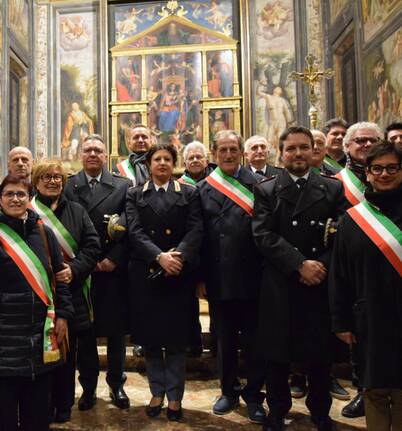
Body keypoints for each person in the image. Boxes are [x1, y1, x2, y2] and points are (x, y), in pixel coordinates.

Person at [252, 126, 347, 431]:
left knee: (319, 354)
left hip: (318, 282)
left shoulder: (331, 188)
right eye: (291, 148)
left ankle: (320, 411)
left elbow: (341, 237)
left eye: (303, 147)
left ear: (313, 150)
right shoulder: (266, 189)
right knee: (277, 354)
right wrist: (298, 264)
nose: (298, 154)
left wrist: (318, 265)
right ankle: (277, 410)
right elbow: (263, 235)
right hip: (281, 282)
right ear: (281, 153)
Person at [0, 175, 74, 430]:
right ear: (0, 198)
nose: (16, 199)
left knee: (37, 419)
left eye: (21, 194)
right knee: (2, 421)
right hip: (1, 345)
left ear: (30, 199)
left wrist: (63, 315)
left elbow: (60, 279)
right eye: (9, 194)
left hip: (40, 343)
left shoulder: (44, 232)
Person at [126, 143, 203, 422]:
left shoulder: (189, 193)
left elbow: (196, 228)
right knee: (150, 341)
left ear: (174, 164)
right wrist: (159, 257)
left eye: (167, 159)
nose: (161, 163)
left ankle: (174, 397)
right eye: (156, 159)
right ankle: (156, 392)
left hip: (178, 275)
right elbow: (134, 232)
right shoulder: (135, 194)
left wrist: (176, 258)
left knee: (175, 341)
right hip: (148, 275)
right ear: (148, 164)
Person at [329, 140, 402, 431]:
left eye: (392, 168)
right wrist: (341, 320)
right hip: (370, 318)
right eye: (377, 169)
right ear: (368, 174)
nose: (384, 174)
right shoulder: (352, 220)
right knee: (374, 387)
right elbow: (340, 275)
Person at [198, 131, 266, 423]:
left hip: (253, 278)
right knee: (223, 341)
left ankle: (254, 395)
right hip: (219, 277)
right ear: (214, 153)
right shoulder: (203, 189)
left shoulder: (260, 185)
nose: (228, 154)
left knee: (254, 342)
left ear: (242, 153)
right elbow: (198, 237)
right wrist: (199, 277)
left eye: (233, 149)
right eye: (223, 149)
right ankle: (228, 391)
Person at [64, 134, 133, 410]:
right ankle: (88, 388)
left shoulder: (123, 186)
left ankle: (117, 385)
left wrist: (114, 258)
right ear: (81, 154)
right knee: (86, 333)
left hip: (112, 272)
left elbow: (132, 224)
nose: (93, 154)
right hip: (83, 272)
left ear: (106, 156)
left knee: (116, 333)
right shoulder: (69, 186)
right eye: (88, 150)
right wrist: (85, 262)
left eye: (98, 150)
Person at [29, 160, 101, 422]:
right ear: (36, 181)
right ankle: (45, 402)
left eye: (57, 177)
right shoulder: (27, 211)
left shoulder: (78, 211)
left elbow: (93, 247)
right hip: (40, 295)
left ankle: (65, 403)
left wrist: (75, 269)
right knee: (48, 350)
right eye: (46, 177)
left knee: (73, 351)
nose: (52, 181)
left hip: (74, 292)